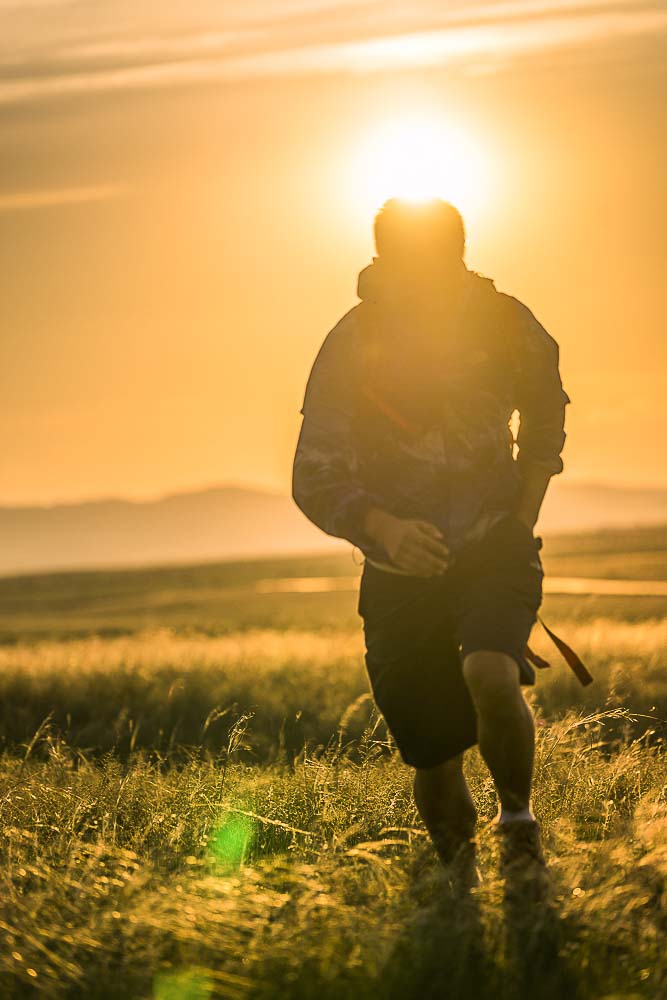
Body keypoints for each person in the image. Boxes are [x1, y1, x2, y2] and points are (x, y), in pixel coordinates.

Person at [291, 197, 570, 879]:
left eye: (441, 259)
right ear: (385, 259)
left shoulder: (507, 323)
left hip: (494, 547)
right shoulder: (353, 340)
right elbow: (313, 471)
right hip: (397, 571)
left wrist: (519, 519)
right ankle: (456, 885)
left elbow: (544, 419)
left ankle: (518, 826)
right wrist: (382, 528)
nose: (430, 276)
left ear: (460, 251)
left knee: (488, 672)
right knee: (431, 748)